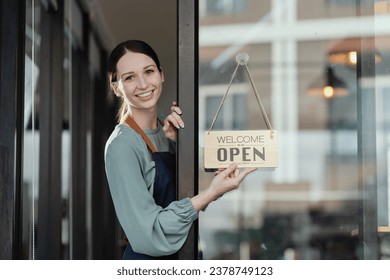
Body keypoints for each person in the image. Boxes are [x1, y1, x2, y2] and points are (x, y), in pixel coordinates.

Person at [104, 39, 256, 260]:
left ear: (161, 74)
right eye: (129, 77)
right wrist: (211, 193)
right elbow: (150, 233)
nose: (143, 84)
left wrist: (181, 143)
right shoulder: (121, 146)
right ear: (117, 88)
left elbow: (208, 170)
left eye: (149, 71)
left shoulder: (169, 130)